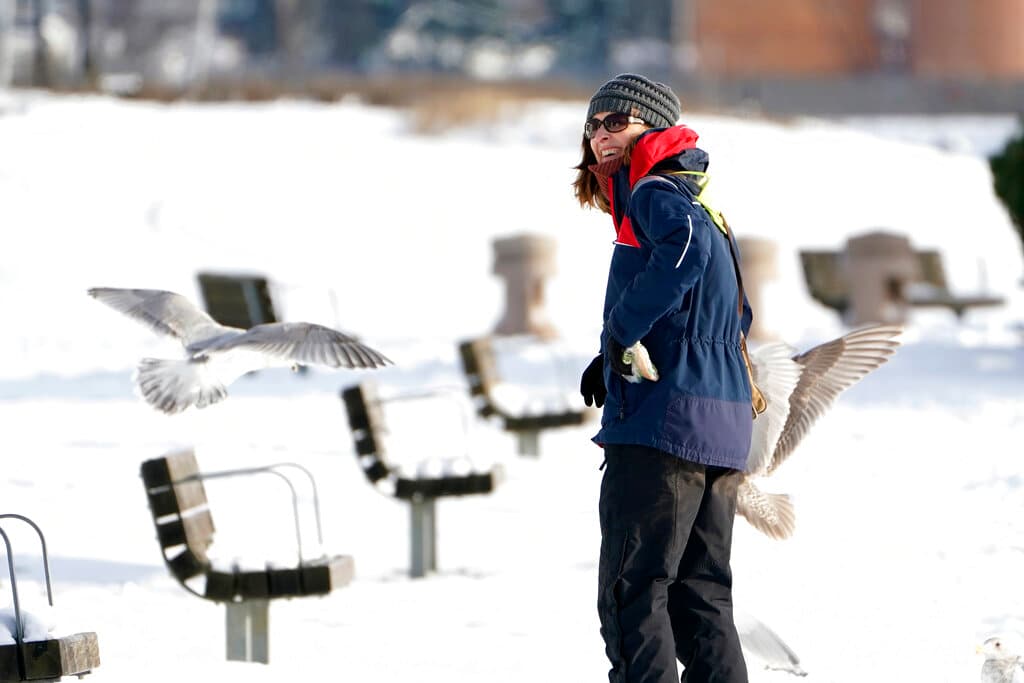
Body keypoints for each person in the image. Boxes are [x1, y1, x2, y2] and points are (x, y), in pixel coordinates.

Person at [573, 73, 754, 683]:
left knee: (633, 593)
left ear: (655, 127)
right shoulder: (702, 199)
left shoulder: (654, 193)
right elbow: (735, 314)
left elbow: (683, 252)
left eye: (617, 122)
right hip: (721, 426)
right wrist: (624, 349)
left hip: (662, 428)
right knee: (700, 598)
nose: (602, 137)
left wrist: (623, 331)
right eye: (594, 125)